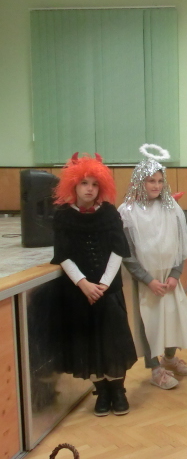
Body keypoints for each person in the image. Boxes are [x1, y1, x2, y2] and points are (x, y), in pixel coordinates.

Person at [51, 152, 137, 416]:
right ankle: (101, 390)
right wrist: (83, 284)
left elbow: (117, 251)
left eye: (94, 184)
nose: (89, 189)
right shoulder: (63, 216)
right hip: (79, 292)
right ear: (73, 185)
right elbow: (63, 255)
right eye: (84, 183)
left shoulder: (109, 213)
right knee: (87, 342)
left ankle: (117, 389)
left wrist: (103, 285)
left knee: (113, 340)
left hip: (108, 290)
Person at [119, 144, 187, 390]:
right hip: (145, 282)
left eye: (160, 181)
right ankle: (155, 369)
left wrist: (175, 274)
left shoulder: (171, 208)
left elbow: (180, 242)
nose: (156, 185)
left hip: (169, 278)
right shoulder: (127, 212)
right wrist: (148, 279)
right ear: (140, 182)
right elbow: (128, 253)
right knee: (149, 324)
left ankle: (169, 358)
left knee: (173, 319)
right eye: (151, 180)